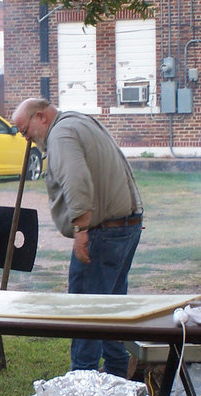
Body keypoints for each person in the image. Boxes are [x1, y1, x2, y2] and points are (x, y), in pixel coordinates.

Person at [12, 98, 143, 378]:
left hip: (102, 232)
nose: (26, 138)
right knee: (111, 309)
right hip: (124, 225)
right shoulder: (80, 122)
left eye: (25, 130)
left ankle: (82, 381)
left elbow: (76, 180)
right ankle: (117, 375)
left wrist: (81, 231)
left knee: (85, 311)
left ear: (41, 117)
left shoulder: (60, 135)